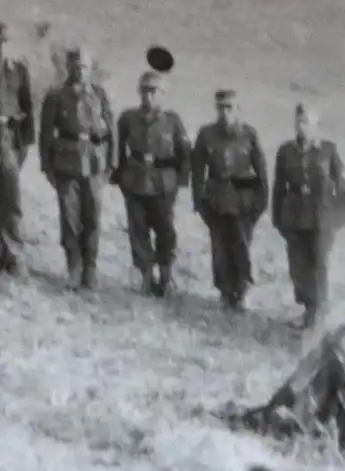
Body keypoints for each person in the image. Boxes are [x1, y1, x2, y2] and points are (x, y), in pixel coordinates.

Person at [38, 46, 116, 290]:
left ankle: (90, 269)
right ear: (68, 68)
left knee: (92, 217)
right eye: (75, 66)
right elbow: (46, 133)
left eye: (84, 67)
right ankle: (74, 267)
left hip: (94, 163)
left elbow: (112, 131)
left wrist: (111, 165)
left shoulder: (100, 95)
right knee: (70, 218)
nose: (80, 71)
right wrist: (47, 166)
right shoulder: (56, 95)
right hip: (66, 163)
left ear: (91, 69)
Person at [111, 71, 191, 296]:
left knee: (165, 231)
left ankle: (165, 277)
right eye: (145, 91)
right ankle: (146, 276)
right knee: (138, 230)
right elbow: (118, 149)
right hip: (135, 181)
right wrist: (120, 175)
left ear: (162, 94)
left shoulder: (172, 121)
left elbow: (184, 152)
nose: (149, 96)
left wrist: (181, 180)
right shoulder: (128, 118)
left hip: (163, 184)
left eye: (154, 91)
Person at [191, 89, 268, 311]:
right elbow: (197, 170)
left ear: (238, 110)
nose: (225, 113)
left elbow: (261, 173)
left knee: (241, 247)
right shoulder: (206, 134)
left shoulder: (249, 135)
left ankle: (241, 292)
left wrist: (259, 204)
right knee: (219, 247)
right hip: (215, 200)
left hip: (243, 203)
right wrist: (199, 201)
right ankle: (225, 292)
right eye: (221, 108)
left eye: (230, 108)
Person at [271, 104, 345, 329]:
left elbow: (343, 187)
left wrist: (339, 217)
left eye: (306, 122)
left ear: (316, 126)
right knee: (298, 264)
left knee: (319, 263)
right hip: (294, 218)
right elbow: (278, 188)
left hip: (321, 219)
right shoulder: (286, 151)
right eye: (299, 121)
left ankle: (319, 310)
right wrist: (277, 218)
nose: (301, 126)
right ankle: (307, 308)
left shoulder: (329, 151)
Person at [0, 21, 35, 276]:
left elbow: (27, 108)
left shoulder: (17, 70)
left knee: (11, 198)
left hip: (8, 139)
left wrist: (24, 145)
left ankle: (13, 255)